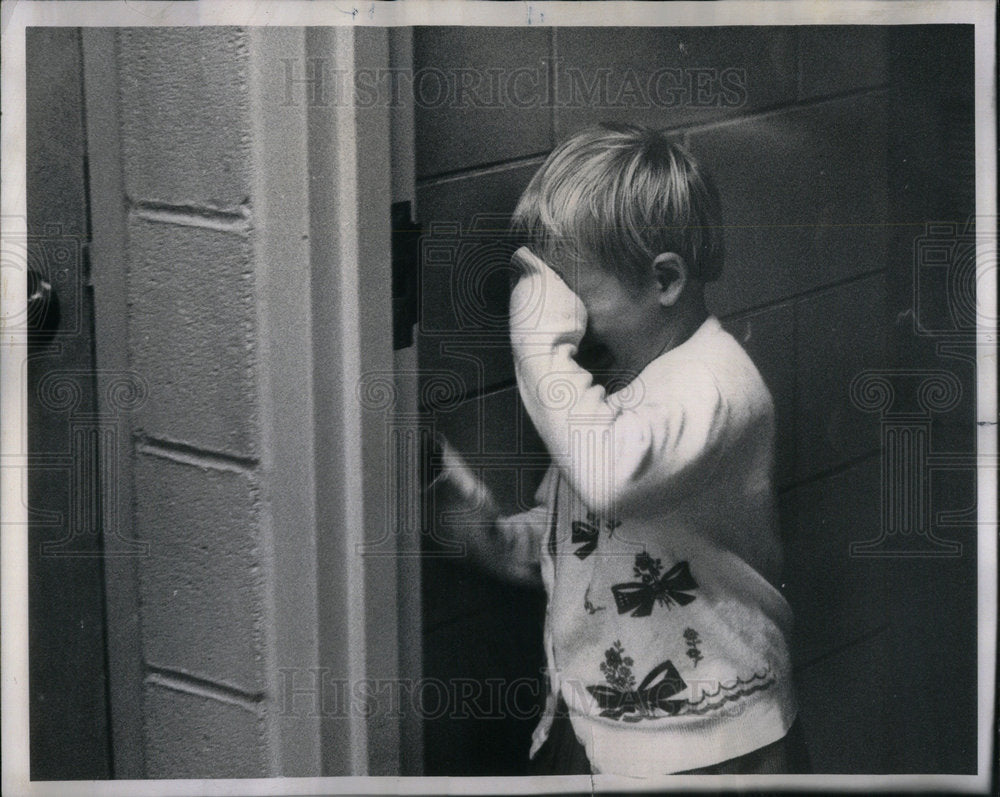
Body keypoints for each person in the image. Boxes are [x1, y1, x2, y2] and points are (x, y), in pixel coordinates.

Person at [430, 123, 807, 777]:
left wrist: (537, 345)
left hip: (712, 740)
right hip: (599, 719)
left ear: (662, 281)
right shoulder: (607, 395)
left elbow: (609, 477)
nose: (562, 321)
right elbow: (588, 545)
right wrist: (488, 532)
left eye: (572, 298)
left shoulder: (713, 387)